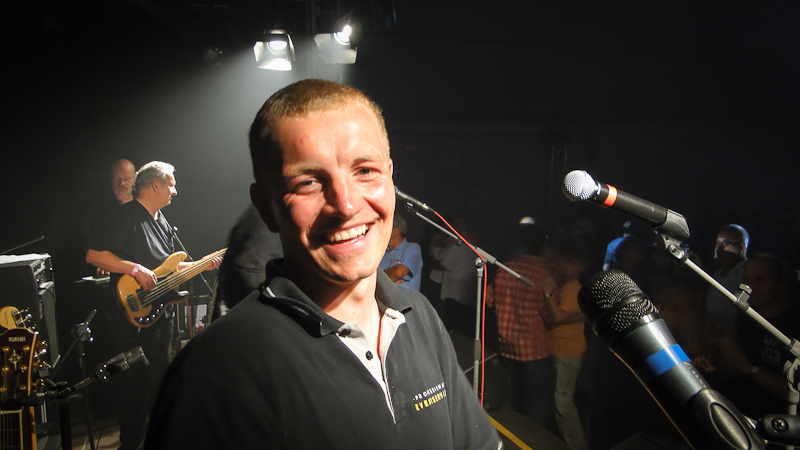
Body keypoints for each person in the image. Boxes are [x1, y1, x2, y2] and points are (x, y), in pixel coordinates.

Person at [144, 79, 501, 450]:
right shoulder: (215, 375)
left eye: (365, 171)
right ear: (265, 206)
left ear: (390, 176)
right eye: (309, 182)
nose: (345, 205)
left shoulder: (420, 318)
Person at [86, 161, 222, 450]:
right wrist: (134, 269)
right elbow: (94, 255)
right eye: (171, 184)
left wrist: (201, 265)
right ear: (155, 185)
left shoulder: (162, 221)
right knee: (138, 390)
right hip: (134, 319)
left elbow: (168, 268)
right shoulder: (126, 216)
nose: (175, 191)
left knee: (160, 385)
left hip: (162, 316)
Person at [488, 219, 558, 432]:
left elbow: (489, 301)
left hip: (506, 345)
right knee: (534, 406)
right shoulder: (546, 273)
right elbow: (551, 315)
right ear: (543, 246)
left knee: (509, 401)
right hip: (534, 349)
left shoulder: (506, 267)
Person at [713, 253, 800, 422]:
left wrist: (747, 367)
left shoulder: (795, 323)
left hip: (777, 423)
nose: (752, 287)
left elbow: (792, 390)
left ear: (781, 284)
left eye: (760, 280)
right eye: (747, 279)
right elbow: (731, 369)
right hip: (739, 415)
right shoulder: (745, 316)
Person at [544, 246, 590, 450]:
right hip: (561, 350)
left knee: (563, 404)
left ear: (580, 267)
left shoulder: (575, 288)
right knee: (559, 402)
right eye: (562, 261)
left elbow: (557, 317)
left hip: (568, 352)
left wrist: (547, 292)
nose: (562, 265)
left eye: (569, 262)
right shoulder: (567, 286)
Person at [705, 224, 749, 331]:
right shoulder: (718, 273)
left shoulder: (747, 274)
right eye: (717, 243)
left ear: (741, 247)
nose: (718, 248)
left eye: (725, 243)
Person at [378, 213, 423, 291]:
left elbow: (399, 272)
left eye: (385, 226)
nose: (381, 230)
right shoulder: (382, 251)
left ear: (396, 230)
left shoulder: (413, 248)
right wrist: (390, 278)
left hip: (405, 298)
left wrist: (379, 277)